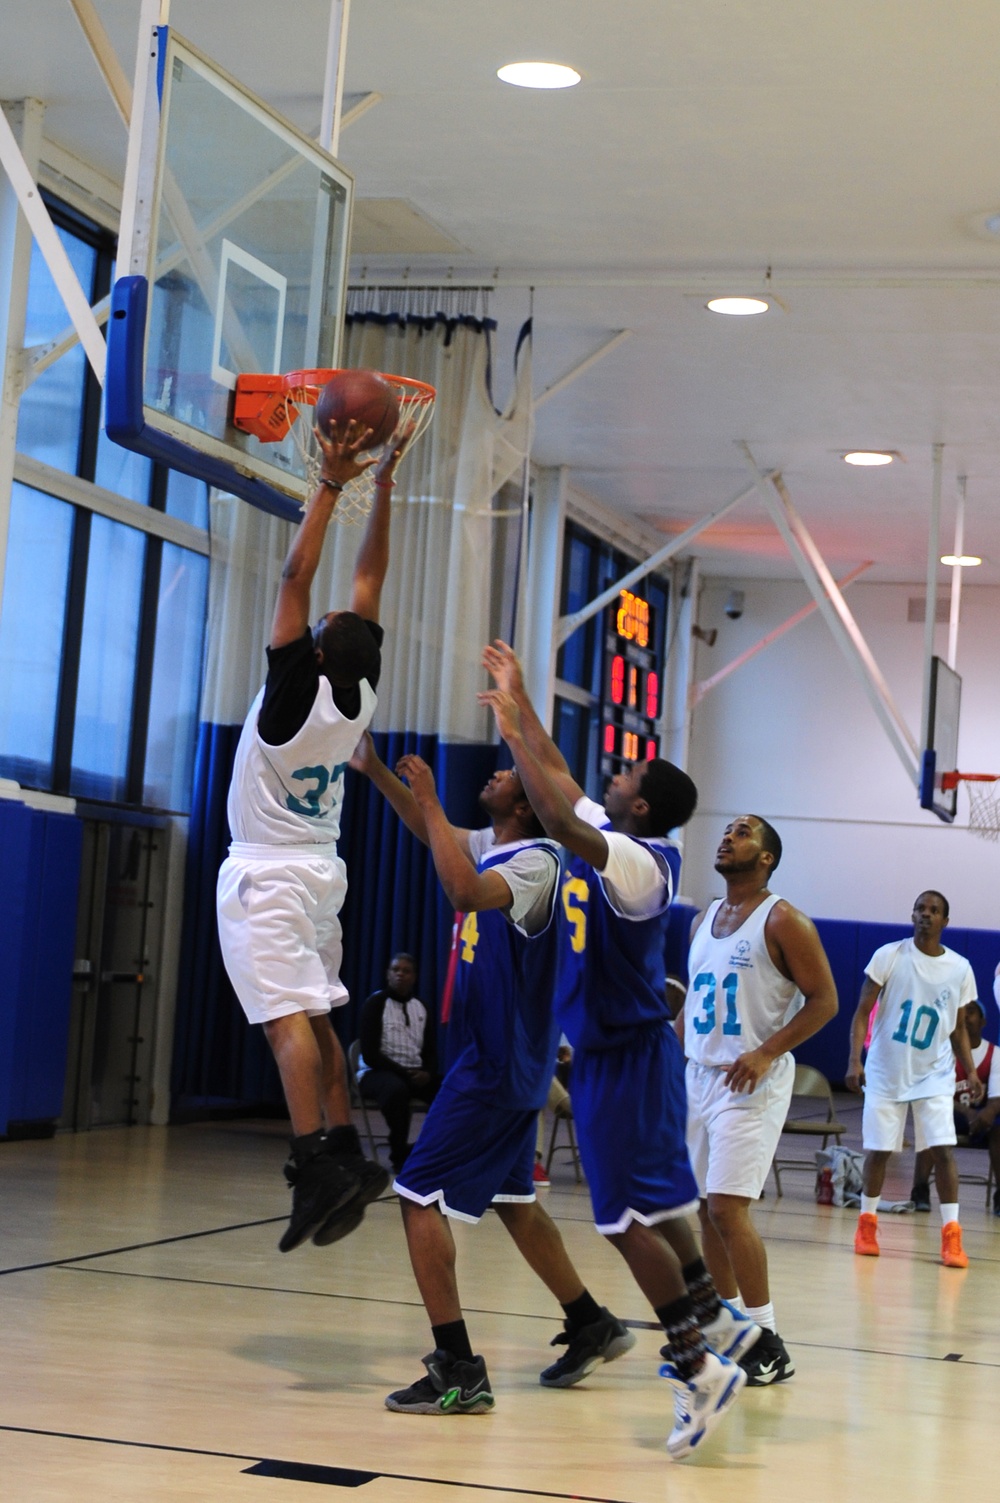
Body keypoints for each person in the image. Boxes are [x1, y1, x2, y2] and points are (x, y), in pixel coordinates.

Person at [480, 640, 755, 1462]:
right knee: (658, 1208)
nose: (618, 772)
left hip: (625, 1059)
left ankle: (696, 1364)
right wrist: (520, 704)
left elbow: (557, 813)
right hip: (619, 1057)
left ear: (642, 806)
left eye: (631, 773)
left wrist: (515, 737)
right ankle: (717, 1318)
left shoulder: (640, 866)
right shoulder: (619, 835)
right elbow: (563, 779)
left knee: (622, 1221)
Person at [350, 727, 634, 1415]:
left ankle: (457, 1367)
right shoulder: (504, 842)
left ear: (528, 804)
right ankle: (591, 1320)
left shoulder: (534, 861)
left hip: (495, 1063)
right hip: (509, 1060)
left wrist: (426, 791)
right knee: (515, 1203)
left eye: (509, 773)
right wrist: (378, 773)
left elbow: (463, 890)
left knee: (417, 1196)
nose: (498, 774)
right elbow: (432, 830)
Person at [216, 420, 409, 1254]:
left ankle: (315, 1158)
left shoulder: (296, 689)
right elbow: (371, 576)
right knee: (323, 1022)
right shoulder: (359, 687)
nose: (326, 608)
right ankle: (343, 1149)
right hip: (321, 870)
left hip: (270, 872)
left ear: (319, 650)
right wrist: (387, 490)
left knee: (284, 1020)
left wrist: (332, 483)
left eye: (323, 622)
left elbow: (302, 570)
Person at [681, 815, 838, 1386]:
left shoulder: (784, 919)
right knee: (702, 1208)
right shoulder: (703, 920)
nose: (728, 837)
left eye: (744, 833)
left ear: (767, 857)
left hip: (751, 1080)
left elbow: (824, 1001)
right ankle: (730, 1330)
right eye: (727, 830)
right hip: (697, 1076)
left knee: (727, 1208)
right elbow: (696, 1004)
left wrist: (767, 1052)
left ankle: (768, 1340)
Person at [846, 890, 983, 1267]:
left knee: (943, 1150)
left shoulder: (960, 967)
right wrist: (854, 1060)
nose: (926, 915)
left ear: (945, 922)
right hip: (886, 1069)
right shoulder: (888, 955)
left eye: (934, 910)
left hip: (934, 1074)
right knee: (879, 1150)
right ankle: (867, 1223)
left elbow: (958, 1031)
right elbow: (861, 1013)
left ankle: (952, 1235)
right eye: (921, 909)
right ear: (912, 915)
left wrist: (970, 1072)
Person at [910, 997, 1000, 1216]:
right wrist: (967, 1112)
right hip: (951, 1112)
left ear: (983, 1021)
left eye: (972, 1012)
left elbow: (997, 1098)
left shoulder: (995, 1053)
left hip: (982, 1118)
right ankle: (920, 1189)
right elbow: (934, 1090)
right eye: (963, 1012)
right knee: (932, 1120)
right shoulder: (943, 1052)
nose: (967, 1017)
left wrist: (985, 1114)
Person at [357, 953, 439, 1171]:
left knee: (449, 1090)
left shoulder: (421, 1006)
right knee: (396, 1090)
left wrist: (428, 1073)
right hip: (376, 1072)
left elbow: (431, 1050)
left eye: (406, 971)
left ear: (414, 977)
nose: (400, 974)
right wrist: (406, 1073)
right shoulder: (375, 1003)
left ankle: (435, 1150)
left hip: (414, 1073)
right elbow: (370, 1054)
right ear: (388, 974)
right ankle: (399, 1153)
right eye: (396, 970)